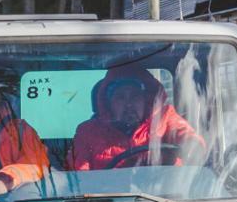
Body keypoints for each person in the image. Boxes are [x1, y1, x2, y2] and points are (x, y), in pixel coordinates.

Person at [68, 65, 204, 171]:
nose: (128, 104)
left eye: (135, 96)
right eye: (120, 97)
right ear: (108, 103)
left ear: (146, 100)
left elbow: (185, 134)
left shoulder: (165, 117)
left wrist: (191, 146)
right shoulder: (88, 132)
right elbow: (80, 177)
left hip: (167, 200)